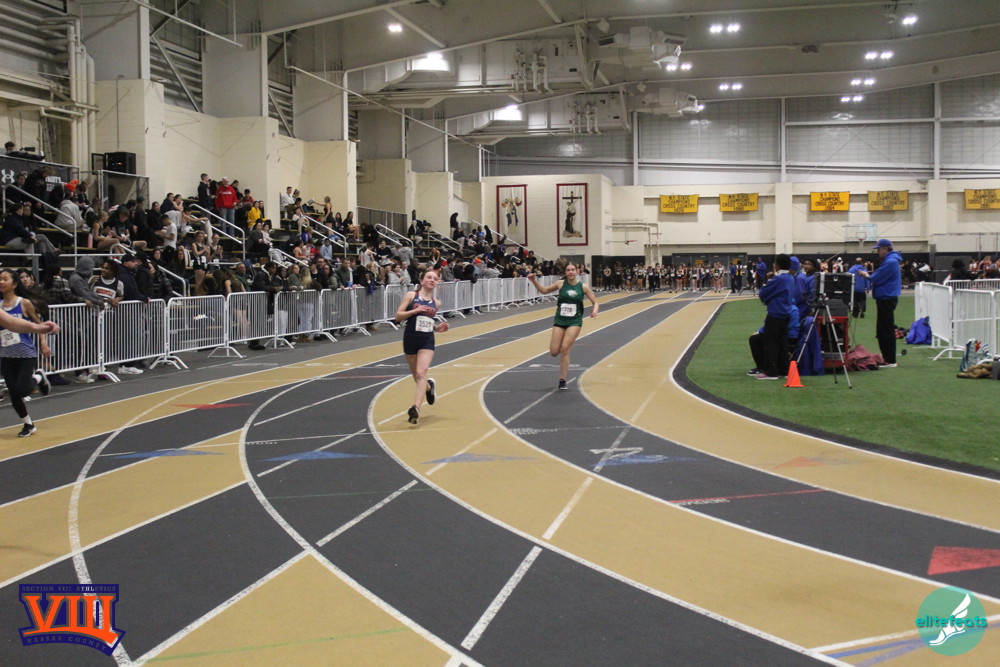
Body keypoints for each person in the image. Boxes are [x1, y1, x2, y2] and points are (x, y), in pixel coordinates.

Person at [527, 262, 598, 390]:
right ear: (565, 272)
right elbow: (544, 291)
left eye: (573, 270)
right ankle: (564, 350)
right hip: (560, 320)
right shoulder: (560, 284)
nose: (570, 272)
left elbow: (595, 302)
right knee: (554, 352)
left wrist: (594, 311)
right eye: (568, 270)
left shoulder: (583, 287)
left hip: (574, 321)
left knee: (565, 348)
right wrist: (533, 281)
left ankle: (562, 380)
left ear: (577, 272)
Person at [0, 269, 54, 437]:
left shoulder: (24, 303)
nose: (1, 282)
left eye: (5, 279)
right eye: (0, 279)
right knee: (14, 395)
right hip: (6, 355)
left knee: (22, 390)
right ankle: (28, 424)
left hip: (25, 354)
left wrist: (43, 344)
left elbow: (38, 325)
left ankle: (38, 377)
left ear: (15, 284)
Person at [395, 268, 449, 424]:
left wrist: (437, 328)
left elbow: (428, 321)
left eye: (435, 278)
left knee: (420, 373)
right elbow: (398, 316)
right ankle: (428, 388)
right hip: (410, 338)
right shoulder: (411, 296)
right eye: (429, 277)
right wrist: (414, 311)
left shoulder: (436, 303)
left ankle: (416, 409)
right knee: (417, 377)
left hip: (427, 340)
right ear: (422, 281)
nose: (432, 280)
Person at [747, 254, 795, 380]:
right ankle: (784, 370)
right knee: (782, 343)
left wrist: (767, 296)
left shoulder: (778, 279)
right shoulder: (790, 278)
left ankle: (771, 371)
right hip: (785, 314)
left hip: (775, 314)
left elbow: (763, 293)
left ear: (777, 265)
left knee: (771, 342)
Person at [870, 238, 902, 367]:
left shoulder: (890, 262)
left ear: (885, 248)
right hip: (885, 297)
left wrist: (868, 277)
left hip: (886, 297)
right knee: (883, 329)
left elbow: (876, 278)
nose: (878, 252)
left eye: (879, 249)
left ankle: (890, 359)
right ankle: (887, 358)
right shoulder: (891, 261)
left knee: (885, 330)